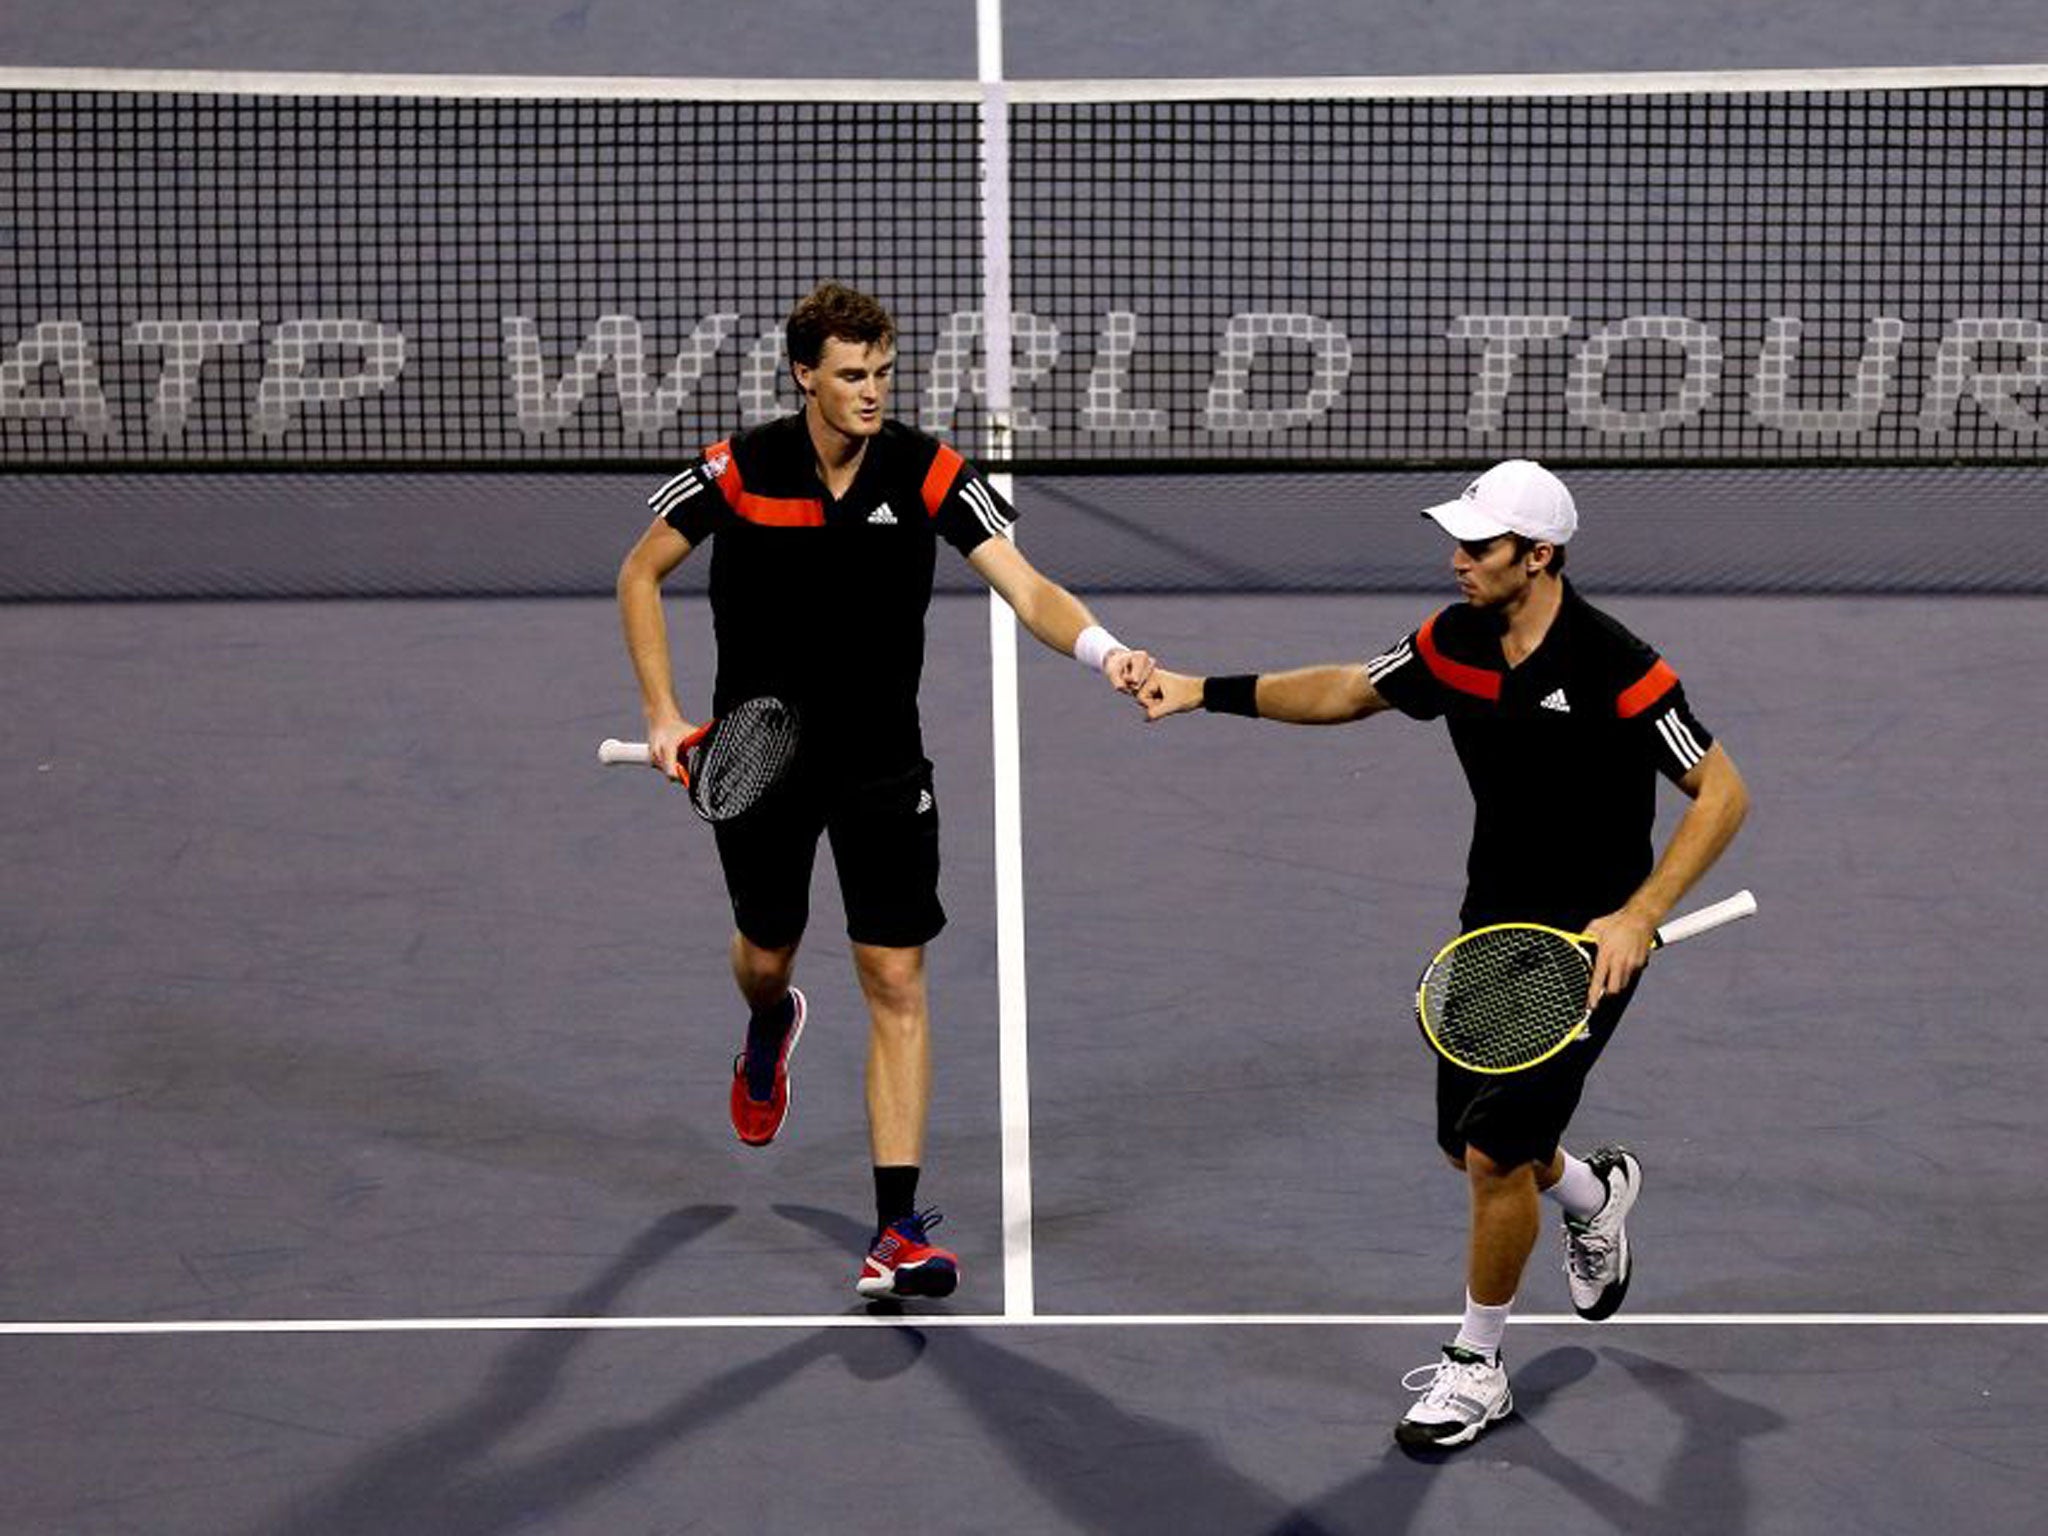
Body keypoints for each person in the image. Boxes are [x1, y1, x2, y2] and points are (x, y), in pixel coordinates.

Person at [1136, 459, 1748, 1448]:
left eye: (1477, 546)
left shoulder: (1614, 665)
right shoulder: (1452, 640)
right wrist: (1203, 691)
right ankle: (1595, 1194)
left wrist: (1637, 914)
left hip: (1590, 946)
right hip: (1491, 929)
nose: (1454, 559)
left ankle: (1476, 1366)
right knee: (1469, 1143)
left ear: (1536, 556)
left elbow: (1719, 794)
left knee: (1494, 1150)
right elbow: (1345, 691)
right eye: (1457, 541)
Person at [616, 281, 1151, 1302]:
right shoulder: (739, 469)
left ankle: (894, 1230)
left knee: (895, 982)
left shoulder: (926, 470)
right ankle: (769, 1026)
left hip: (880, 764)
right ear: (803, 376)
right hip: (757, 759)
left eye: (882, 372)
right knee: (764, 956)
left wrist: (1104, 652)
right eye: (851, 375)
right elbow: (637, 574)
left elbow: (1025, 584)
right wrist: (661, 715)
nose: (871, 391)